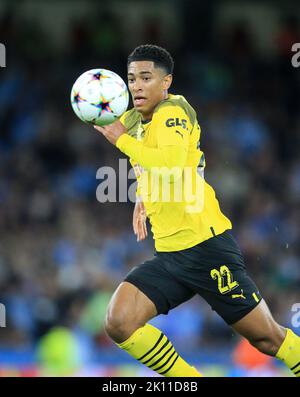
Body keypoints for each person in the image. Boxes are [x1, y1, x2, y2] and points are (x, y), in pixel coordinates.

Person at [94, 44, 300, 377]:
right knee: (119, 321)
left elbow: (173, 164)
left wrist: (121, 140)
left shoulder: (173, 111)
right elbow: (161, 162)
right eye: (132, 79)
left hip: (206, 248)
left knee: (267, 339)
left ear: (166, 82)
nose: (136, 86)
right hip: (171, 256)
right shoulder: (137, 120)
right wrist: (143, 195)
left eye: (146, 78)